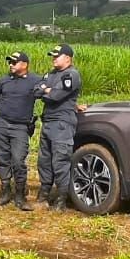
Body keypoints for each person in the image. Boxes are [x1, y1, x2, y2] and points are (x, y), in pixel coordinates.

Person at [0, 51, 41, 211]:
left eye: (14, 62)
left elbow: (49, 93)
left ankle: (20, 194)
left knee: (18, 160)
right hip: (2, 124)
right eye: (9, 62)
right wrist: (4, 106)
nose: (11, 65)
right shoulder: (3, 80)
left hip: (21, 127)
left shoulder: (35, 80)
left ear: (24, 64)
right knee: (2, 159)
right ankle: (5, 189)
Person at [33, 43, 82, 211]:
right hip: (48, 122)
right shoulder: (51, 74)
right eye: (52, 56)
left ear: (67, 58)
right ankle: (44, 195)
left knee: (60, 161)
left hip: (62, 123)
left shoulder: (71, 75)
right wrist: (47, 89)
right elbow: (36, 90)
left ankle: (61, 199)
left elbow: (55, 95)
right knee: (44, 161)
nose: (53, 59)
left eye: (57, 56)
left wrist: (46, 90)